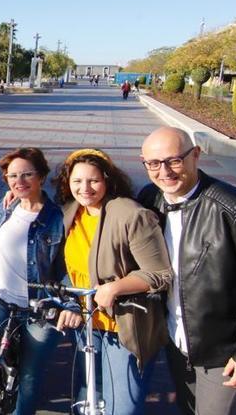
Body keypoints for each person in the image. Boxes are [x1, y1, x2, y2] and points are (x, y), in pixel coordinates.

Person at [137, 127, 236, 415]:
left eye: (174, 160)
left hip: (224, 351)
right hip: (177, 343)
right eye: (154, 163)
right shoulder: (151, 199)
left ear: (196, 155)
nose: (165, 172)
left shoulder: (235, 209)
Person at [54, 148, 172, 415]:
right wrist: (70, 304)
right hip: (86, 325)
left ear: (108, 179)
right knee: (88, 400)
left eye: (93, 180)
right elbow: (69, 270)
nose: (85, 188)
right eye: (77, 181)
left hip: (124, 326)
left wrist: (116, 287)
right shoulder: (70, 213)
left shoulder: (131, 215)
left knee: (122, 408)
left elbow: (160, 273)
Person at [0, 148, 77, 413]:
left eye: (26, 175)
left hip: (40, 310)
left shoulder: (57, 219)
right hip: (2, 300)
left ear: (41, 177)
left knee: (29, 376)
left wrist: (68, 305)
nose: (19, 181)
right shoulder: (6, 208)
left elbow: (68, 269)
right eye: (12, 176)